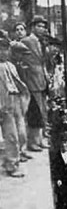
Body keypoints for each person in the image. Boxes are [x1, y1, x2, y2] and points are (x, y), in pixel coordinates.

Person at [0, 34, 30, 177]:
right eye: (1, 50)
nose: (3, 53)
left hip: (14, 101)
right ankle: (11, 164)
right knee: (10, 136)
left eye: (6, 50)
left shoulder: (10, 65)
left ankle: (13, 160)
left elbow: (19, 84)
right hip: (3, 104)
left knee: (18, 133)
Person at [20, 15, 50, 151]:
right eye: (39, 26)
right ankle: (32, 142)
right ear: (33, 27)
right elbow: (18, 59)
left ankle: (40, 139)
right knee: (34, 112)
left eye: (44, 26)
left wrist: (46, 75)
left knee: (42, 111)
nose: (42, 29)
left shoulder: (41, 42)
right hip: (31, 81)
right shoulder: (26, 41)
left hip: (41, 80)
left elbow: (43, 62)